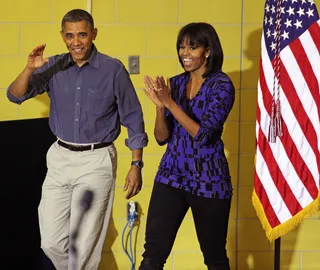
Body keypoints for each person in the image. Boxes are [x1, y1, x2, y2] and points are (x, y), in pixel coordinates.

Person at [7, 9, 148, 270]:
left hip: (97, 159)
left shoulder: (113, 69)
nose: (76, 42)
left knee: (83, 248)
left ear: (93, 34)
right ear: (63, 36)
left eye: (82, 35)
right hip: (60, 157)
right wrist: (29, 68)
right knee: (51, 242)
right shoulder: (54, 66)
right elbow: (15, 95)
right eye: (70, 36)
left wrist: (136, 164)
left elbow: (133, 116)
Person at [139, 22, 235, 270]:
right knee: (152, 256)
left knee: (214, 259)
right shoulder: (176, 83)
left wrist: (170, 104)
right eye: (182, 47)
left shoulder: (222, 85)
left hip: (209, 181)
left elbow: (203, 135)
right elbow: (162, 138)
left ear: (208, 50)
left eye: (192, 47)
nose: (185, 53)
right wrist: (160, 108)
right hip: (171, 175)